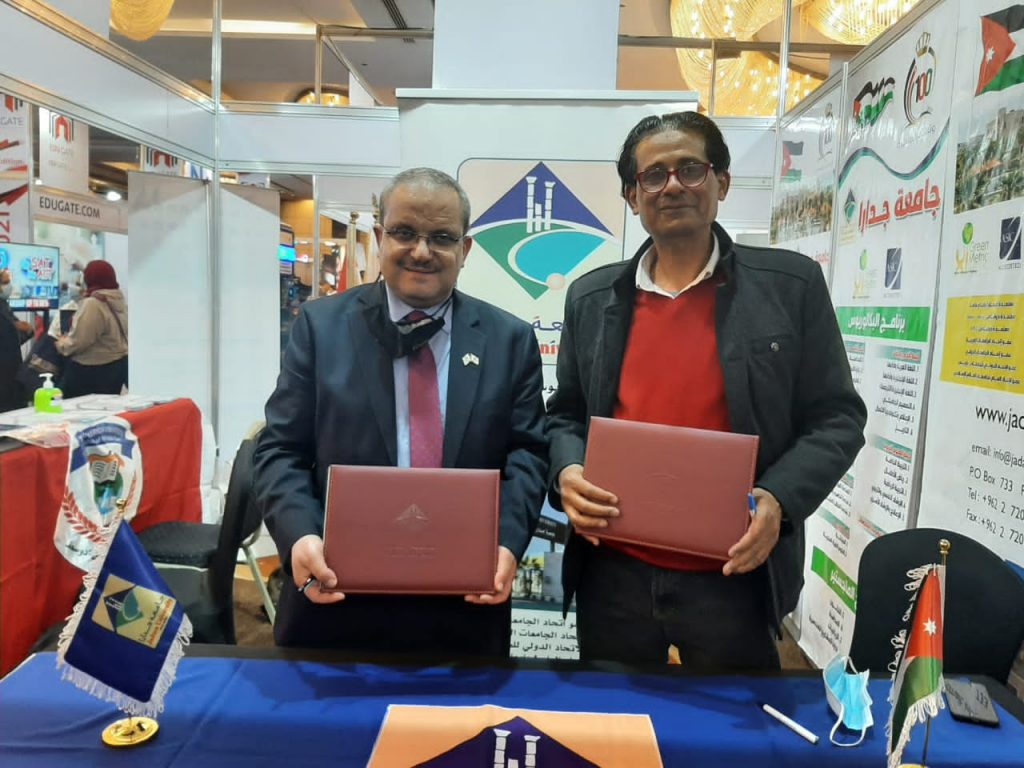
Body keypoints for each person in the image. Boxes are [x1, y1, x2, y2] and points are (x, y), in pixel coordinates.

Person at [546, 112, 866, 671]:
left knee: (735, 719)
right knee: (615, 718)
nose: (672, 185)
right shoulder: (592, 298)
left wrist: (779, 498)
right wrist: (567, 471)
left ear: (721, 181)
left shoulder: (789, 287)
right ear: (632, 196)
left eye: (690, 169)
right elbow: (565, 415)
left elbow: (837, 418)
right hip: (613, 571)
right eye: (654, 175)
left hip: (734, 571)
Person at [253, 167, 549, 657]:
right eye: (405, 232)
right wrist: (300, 534)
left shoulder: (509, 340)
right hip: (336, 598)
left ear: (465, 249)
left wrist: (507, 543)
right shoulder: (321, 328)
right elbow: (280, 449)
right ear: (379, 237)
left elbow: (528, 454)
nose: (422, 251)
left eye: (442, 238)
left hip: (465, 607)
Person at [55, 260, 128, 398]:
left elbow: (79, 341)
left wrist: (61, 344)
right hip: (115, 368)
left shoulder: (93, 304)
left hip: (90, 371)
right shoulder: (119, 300)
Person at [0, 269, 34, 411]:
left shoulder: (4, 305)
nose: (9, 286)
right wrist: (16, 327)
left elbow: (13, 339)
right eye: (5, 282)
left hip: (11, 369)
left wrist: (27, 330)